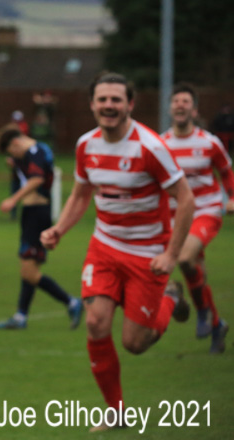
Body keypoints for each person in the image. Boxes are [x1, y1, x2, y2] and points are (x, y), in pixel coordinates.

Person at [41, 72, 194, 432]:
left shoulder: (150, 147)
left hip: (148, 254)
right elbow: (80, 194)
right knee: (95, 323)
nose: (109, 106)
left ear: (130, 104)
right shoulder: (86, 145)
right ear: (92, 104)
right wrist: (59, 229)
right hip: (105, 247)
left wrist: (171, 256)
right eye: (102, 100)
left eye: (116, 100)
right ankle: (117, 412)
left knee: (134, 343)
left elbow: (186, 200)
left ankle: (171, 295)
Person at [161, 83, 233, 353]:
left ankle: (201, 311)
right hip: (174, 216)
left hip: (206, 210)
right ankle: (216, 324)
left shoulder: (208, 142)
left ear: (194, 109)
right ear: (170, 108)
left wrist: (233, 197)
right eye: (176, 100)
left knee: (184, 259)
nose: (180, 105)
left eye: (185, 101)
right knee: (193, 271)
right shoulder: (162, 144)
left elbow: (226, 171)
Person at [0, 128, 82, 330]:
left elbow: (37, 179)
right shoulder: (35, 152)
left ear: (15, 143)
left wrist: (13, 199)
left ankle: (71, 302)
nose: (13, 156)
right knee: (29, 268)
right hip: (33, 213)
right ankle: (21, 316)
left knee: (29, 271)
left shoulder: (35, 152)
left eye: (11, 152)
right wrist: (16, 164)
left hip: (37, 213)